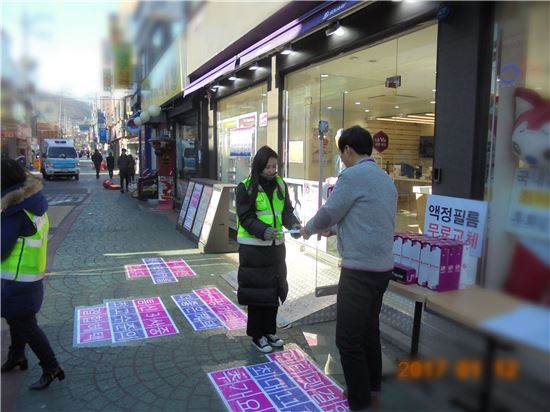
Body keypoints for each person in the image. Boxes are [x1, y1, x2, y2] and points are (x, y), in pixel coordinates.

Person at [300, 126, 397, 412]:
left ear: (348, 150)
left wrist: (309, 229)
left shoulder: (352, 175)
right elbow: (364, 216)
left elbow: (330, 211)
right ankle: (373, 387)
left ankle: (359, 400)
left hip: (359, 270)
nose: (342, 158)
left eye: (342, 153)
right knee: (368, 329)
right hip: (382, 269)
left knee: (347, 338)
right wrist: (334, 230)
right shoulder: (384, 179)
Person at [1, 159, 65, 390]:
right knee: (18, 319)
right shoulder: (33, 201)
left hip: (17, 279)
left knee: (25, 324)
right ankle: (17, 355)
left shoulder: (13, 210)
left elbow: (1, 249)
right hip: (29, 277)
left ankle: (51, 367)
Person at [236, 146, 302, 353]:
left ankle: (270, 331)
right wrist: (264, 230)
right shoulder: (245, 187)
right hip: (254, 250)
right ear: (259, 166)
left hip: (276, 248)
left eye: (275, 166)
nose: (273, 170)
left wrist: (294, 225)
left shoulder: (281, 184)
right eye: (269, 167)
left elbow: (287, 211)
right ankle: (257, 335)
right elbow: (245, 218)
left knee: (273, 291)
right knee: (258, 294)